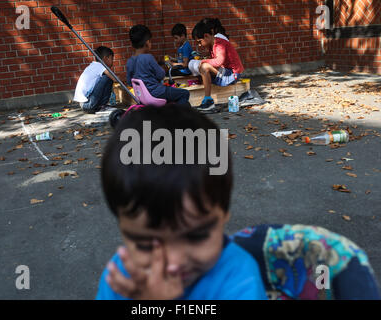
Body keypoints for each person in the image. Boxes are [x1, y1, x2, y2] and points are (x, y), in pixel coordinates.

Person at [96, 104, 267, 300]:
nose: (173, 264)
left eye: (196, 236)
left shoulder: (239, 278)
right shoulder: (121, 277)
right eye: (147, 245)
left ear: (224, 212)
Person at [126, 24, 190, 106]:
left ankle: (157, 116)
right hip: (157, 92)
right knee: (184, 93)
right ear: (147, 42)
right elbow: (161, 75)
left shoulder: (130, 61)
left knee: (172, 96)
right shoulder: (148, 58)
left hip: (141, 96)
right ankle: (178, 116)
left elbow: (129, 82)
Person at [192, 18, 244, 111]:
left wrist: (203, 61)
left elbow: (219, 61)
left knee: (204, 66)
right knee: (203, 69)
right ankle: (207, 97)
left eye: (199, 42)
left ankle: (208, 101)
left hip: (232, 75)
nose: (199, 45)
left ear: (206, 36)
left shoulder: (219, 43)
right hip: (226, 73)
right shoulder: (212, 44)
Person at [73, 46, 115, 114]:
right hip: (87, 104)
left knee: (106, 77)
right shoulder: (100, 66)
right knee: (108, 78)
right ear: (105, 58)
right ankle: (102, 105)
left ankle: (100, 105)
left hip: (85, 104)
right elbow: (115, 78)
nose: (112, 62)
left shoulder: (93, 66)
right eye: (112, 59)